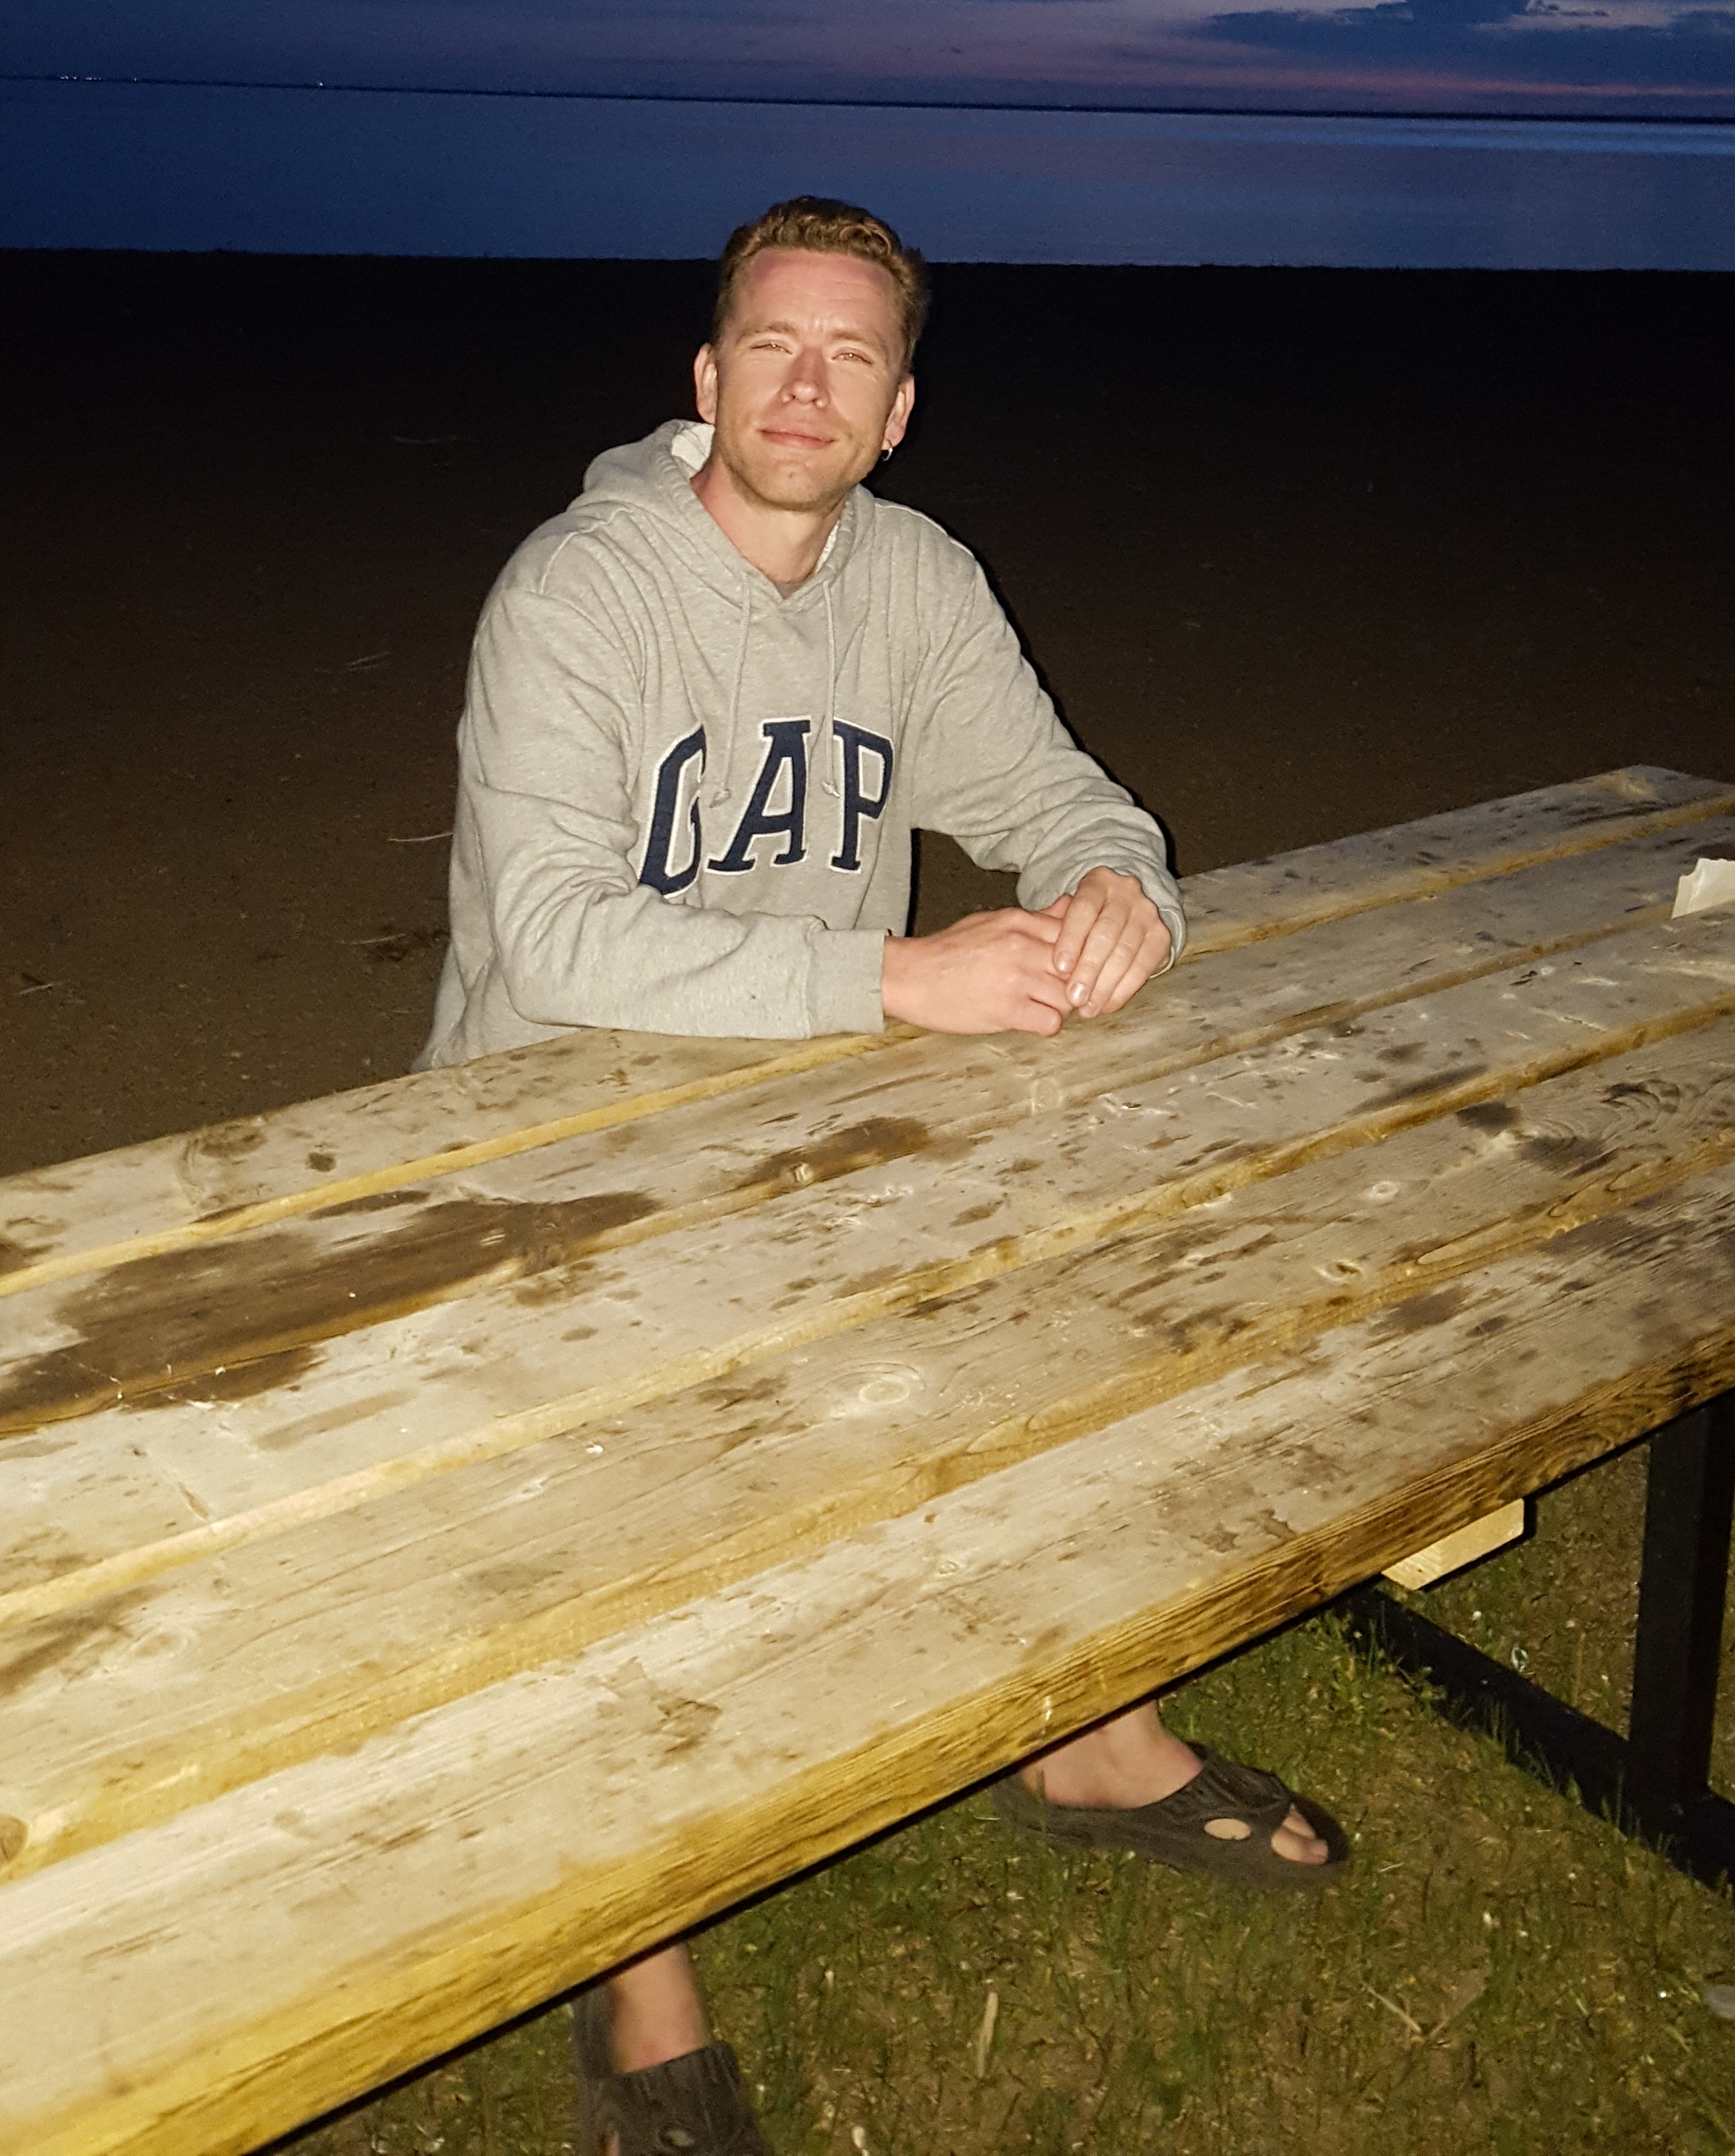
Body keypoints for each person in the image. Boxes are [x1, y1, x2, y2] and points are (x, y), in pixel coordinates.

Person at [422, 195, 1348, 2156]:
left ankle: (1088, 1733)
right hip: (549, 1157)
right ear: (706, 377)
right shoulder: (580, 592)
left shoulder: (913, 579)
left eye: (851, 356)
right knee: (639, 1502)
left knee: (1092, 1286)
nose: (805, 386)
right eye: (771, 345)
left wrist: (1123, 891)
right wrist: (894, 978)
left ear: (900, 408)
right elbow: (552, 939)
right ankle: (639, 1965)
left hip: (821, 1124)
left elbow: (1059, 798)